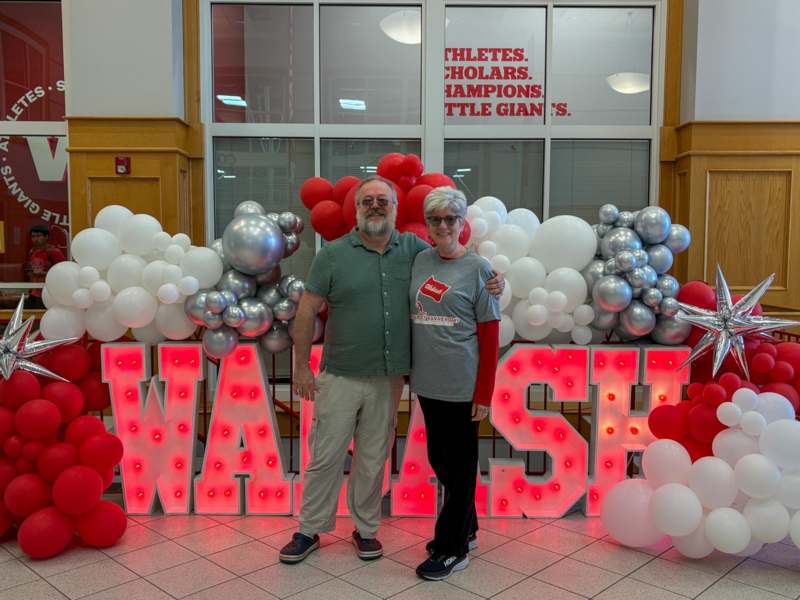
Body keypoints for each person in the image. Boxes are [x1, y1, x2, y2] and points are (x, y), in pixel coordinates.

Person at [279, 176, 504, 564]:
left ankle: (365, 529)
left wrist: (495, 278)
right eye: (368, 201)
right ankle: (309, 529)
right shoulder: (331, 255)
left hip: (389, 379)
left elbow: (459, 259)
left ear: (396, 210)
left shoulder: (414, 249)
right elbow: (306, 310)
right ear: (356, 208)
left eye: (383, 200)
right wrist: (300, 366)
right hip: (340, 375)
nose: (376, 207)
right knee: (326, 455)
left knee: (372, 458)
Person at [409, 187, 500, 581]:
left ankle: (452, 548)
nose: (443, 225)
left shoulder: (480, 269)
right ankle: (469, 527)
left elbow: (491, 334)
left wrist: (484, 394)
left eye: (451, 219)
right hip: (428, 385)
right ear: (427, 225)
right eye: (435, 219)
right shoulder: (419, 260)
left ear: (462, 224)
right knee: (441, 461)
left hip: (463, 387)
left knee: (460, 469)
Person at [24, 225, 65, 308]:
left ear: (46, 237)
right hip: (34, 292)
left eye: (39, 236)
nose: (35, 239)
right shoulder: (32, 251)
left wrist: (44, 273)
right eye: (33, 236)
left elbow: (63, 272)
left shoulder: (54, 252)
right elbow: (31, 269)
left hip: (48, 292)